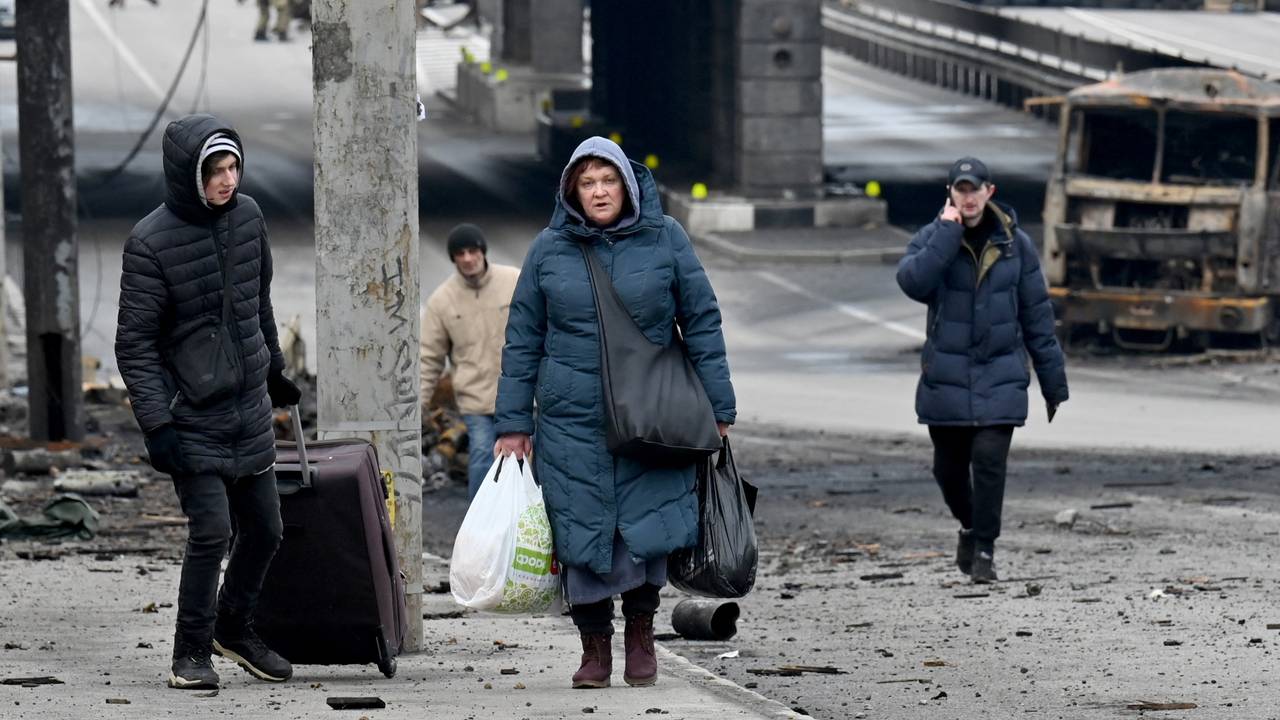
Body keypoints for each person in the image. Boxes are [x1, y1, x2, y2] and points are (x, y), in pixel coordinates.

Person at [493, 136, 735, 689]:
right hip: (570, 420)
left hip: (651, 415)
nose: (599, 192)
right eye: (588, 182)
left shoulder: (666, 238)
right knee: (582, 535)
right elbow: (522, 339)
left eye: (608, 181)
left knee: (645, 531)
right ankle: (594, 649)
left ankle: (642, 638)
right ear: (572, 191)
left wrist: (719, 408)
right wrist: (512, 423)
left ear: (627, 185)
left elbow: (702, 321)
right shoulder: (548, 249)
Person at [115, 114, 301, 690]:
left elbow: (256, 302)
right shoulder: (149, 242)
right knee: (211, 533)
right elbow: (135, 344)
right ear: (186, 174)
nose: (227, 179)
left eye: (233, 166)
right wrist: (156, 424)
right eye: (214, 170)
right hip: (190, 416)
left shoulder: (249, 217)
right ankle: (190, 654)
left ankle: (234, 626)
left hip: (247, 410)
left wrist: (273, 369)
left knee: (267, 529)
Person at [896, 156, 1068, 584]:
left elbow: (1037, 316)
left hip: (1001, 374)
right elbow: (913, 283)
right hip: (947, 378)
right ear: (951, 194)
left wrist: (1053, 383)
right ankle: (971, 528)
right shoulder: (934, 238)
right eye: (961, 189)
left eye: (975, 189)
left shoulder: (1016, 245)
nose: (969, 197)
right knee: (948, 471)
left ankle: (986, 549)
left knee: (989, 461)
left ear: (989, 192)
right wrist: (947, 233)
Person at [419, 224, 520, 500]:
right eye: (460, 253)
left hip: (521, 394)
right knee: (482, 458)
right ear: (453, 259)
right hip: (476, 400)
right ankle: (480, 525)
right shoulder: (442, 301)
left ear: (483, 252)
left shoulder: (513, 280)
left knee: (528, 461)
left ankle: (528, 525)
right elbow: (430, 357)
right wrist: (418, 405)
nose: (467, 258)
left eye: (472, 251)